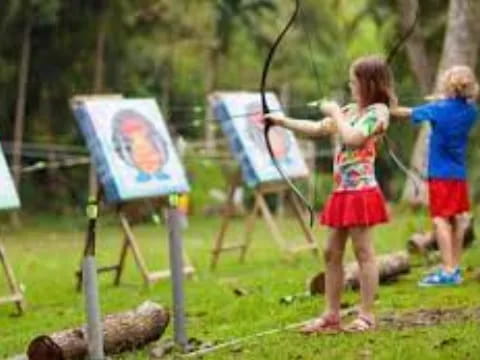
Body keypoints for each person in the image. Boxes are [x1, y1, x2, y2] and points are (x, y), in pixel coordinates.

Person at [264, 55, 396, 333]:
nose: (350, 85)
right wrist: (281, 121)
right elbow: (316, 129)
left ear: (369, 83)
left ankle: (367, 315)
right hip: (342, 193)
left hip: (361, 193)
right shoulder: (349, 110)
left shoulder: (378, 112)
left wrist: (335, 113)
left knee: (363, 252)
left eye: (354, 81)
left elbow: (354, 138)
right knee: (331, 252)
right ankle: (331, 314)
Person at [391, 65, 478, 287]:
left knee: (440, 220)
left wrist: (387, 104)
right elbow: (456, 105)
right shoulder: (471, 111)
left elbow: (406, 113)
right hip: (458, 175)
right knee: (457, 219)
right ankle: (454, 267)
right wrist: (443, 99)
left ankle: (448, 271)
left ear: (449, 87)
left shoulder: (438, 109)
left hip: (440, 174)